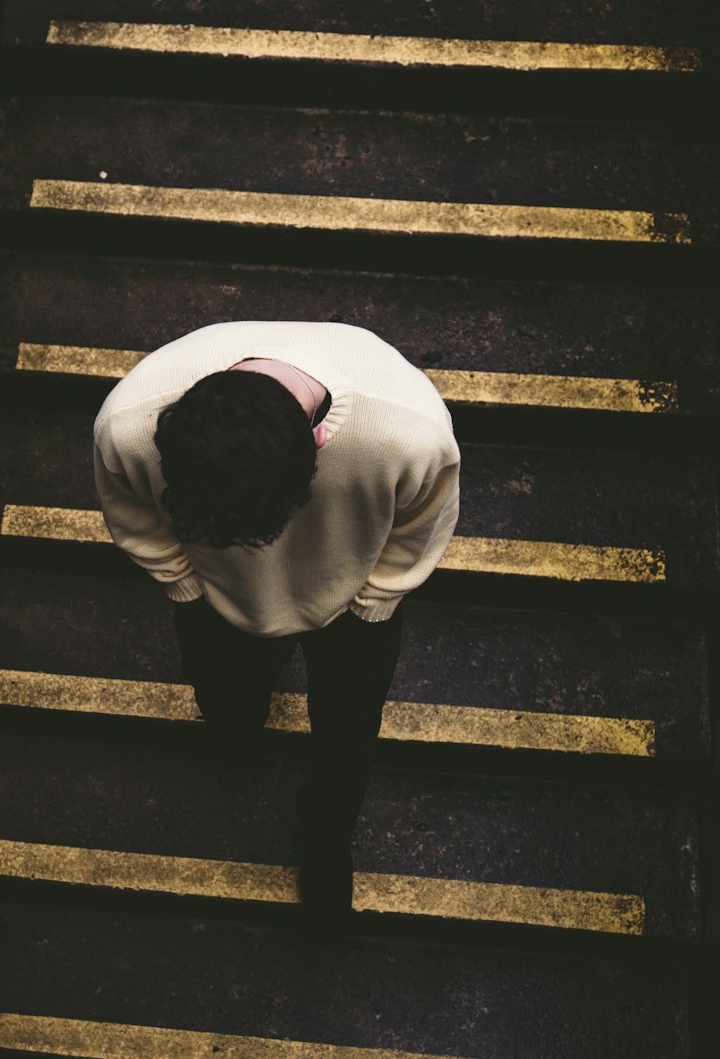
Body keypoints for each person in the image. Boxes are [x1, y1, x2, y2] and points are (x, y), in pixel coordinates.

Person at [91, 320, 460, 920]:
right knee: (225, 703)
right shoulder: (130, 424)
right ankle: (237, 732)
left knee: (346, 738)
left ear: (318, 448)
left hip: (355, 610)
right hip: (214, 600)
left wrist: (370, 605)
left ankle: (326, 837)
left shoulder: (407, 433)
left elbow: (419, 530)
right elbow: (135, 516)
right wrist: (188, 586)